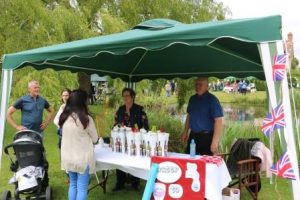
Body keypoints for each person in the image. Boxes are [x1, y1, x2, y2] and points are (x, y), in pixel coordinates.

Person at [59, 89, 99, 200]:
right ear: (83, 102)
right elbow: (95, 139)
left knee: (73, 185)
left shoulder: (64, 117)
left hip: (68, 157)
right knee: (81, 188)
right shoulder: (86, 119)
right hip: (82, 159)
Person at [113, 88, 149, 191]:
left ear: (132, 96)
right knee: (119, 160)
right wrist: (117, 128)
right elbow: (115, 123)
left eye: (127, 95)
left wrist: (139, 131)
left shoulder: (139, 109)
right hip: (122, 140)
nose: (125, 97)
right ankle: (120, 182)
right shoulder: (120, 109)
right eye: (123, 95)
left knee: (135, 160)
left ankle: (135, 183)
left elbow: (145, 126)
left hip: (135, 140)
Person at [181, 77, 223, 156]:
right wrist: (185, 132)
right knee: (189, 159)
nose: (198, 87)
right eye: (196, 84)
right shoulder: (192, 99)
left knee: (207, 163)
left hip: (207, 137)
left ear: (207, 86)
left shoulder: (212, 100)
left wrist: (215, 142)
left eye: (200, 84)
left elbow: (219, 121)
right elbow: (189, 117)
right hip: (193, 136)